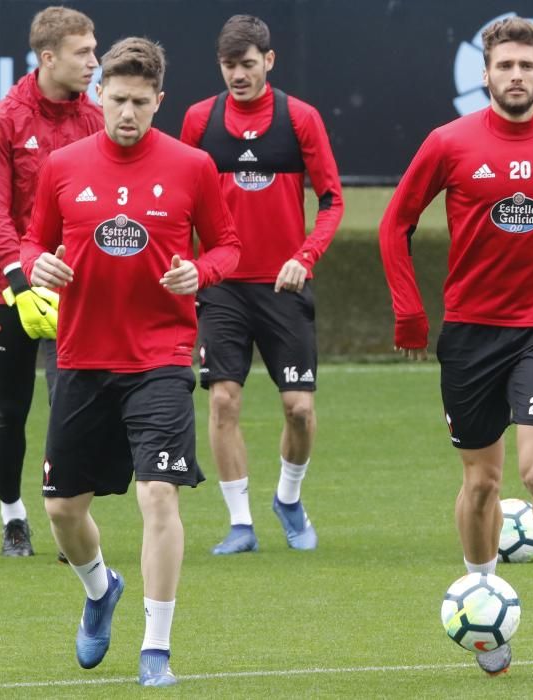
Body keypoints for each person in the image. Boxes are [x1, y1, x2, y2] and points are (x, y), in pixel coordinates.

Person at [379, 17, 533, 676]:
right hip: (469, 333)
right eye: (504, 65)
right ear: (484, 74)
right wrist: (408, 310)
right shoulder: (447, 142)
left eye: (525, 66)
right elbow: (395, 223)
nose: (515, 76)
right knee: (481, 484)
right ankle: (483, 603)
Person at [21, 37, 240, 687]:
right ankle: (99, 589)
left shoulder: (193, 165)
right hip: (82, 357)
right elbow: (32, 240)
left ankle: (156, 649)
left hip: (162, 358)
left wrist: (195, 273)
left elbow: (227, 247)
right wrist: (40, 265)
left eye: (140, 103)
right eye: (116, 99)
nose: (126, 113)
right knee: (61, 509)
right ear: (98, 94)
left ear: (158, 102)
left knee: (158, 496)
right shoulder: (62, 165)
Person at [180, 14, 344, 555]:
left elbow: (332, 200)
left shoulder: (300, 119)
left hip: (283, 286)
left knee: (299, 408)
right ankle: (240, 523)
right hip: (221, 288)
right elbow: (181, 208)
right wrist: (189, 270)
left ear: (269, 61)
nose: (238, 76)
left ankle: (289, 498)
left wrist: (306, 254)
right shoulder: (200, 121)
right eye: (229, 66)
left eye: (248, 64)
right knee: (223, 399)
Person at [0, 6, 101, 557]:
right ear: (48, 58)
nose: (94, 63)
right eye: (83, 53)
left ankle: (64, 516)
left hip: (71, 286)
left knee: (67, 402)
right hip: (7, 286)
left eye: (94, 51)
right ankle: (12, 518)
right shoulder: (1, 120)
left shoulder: (94, 119)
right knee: (11, 408)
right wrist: (21, 281)